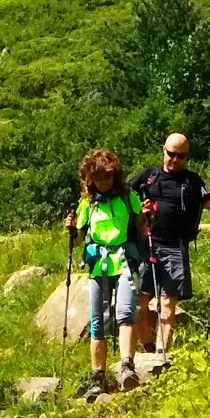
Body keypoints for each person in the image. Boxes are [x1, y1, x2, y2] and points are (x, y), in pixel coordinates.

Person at [130, 131, 210, 357]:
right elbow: (122, 200)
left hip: (176, 247)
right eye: (171, 154)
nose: (175, 160)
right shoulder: (148, 176)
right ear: (163, 151)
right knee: (139, 301)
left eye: (181, 156)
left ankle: (161, 355)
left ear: (187, 157)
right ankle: (148, 347)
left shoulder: (192, 181)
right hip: (147, 243)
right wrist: (139, 212)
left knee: (168, 301)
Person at [70, 148, 143, 396]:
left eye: (107, 177)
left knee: (125, 312)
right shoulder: (86, 205)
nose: (103, 182)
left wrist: (148, 220)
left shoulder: (128, 198)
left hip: (123, 262)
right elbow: (79, 235)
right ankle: (97, 377)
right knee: (98, 321)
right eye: (98, 178)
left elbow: (140, 226)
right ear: (90, 179)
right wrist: (70, 229)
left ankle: (127, 367)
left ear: (115, 175)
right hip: (98, 265)